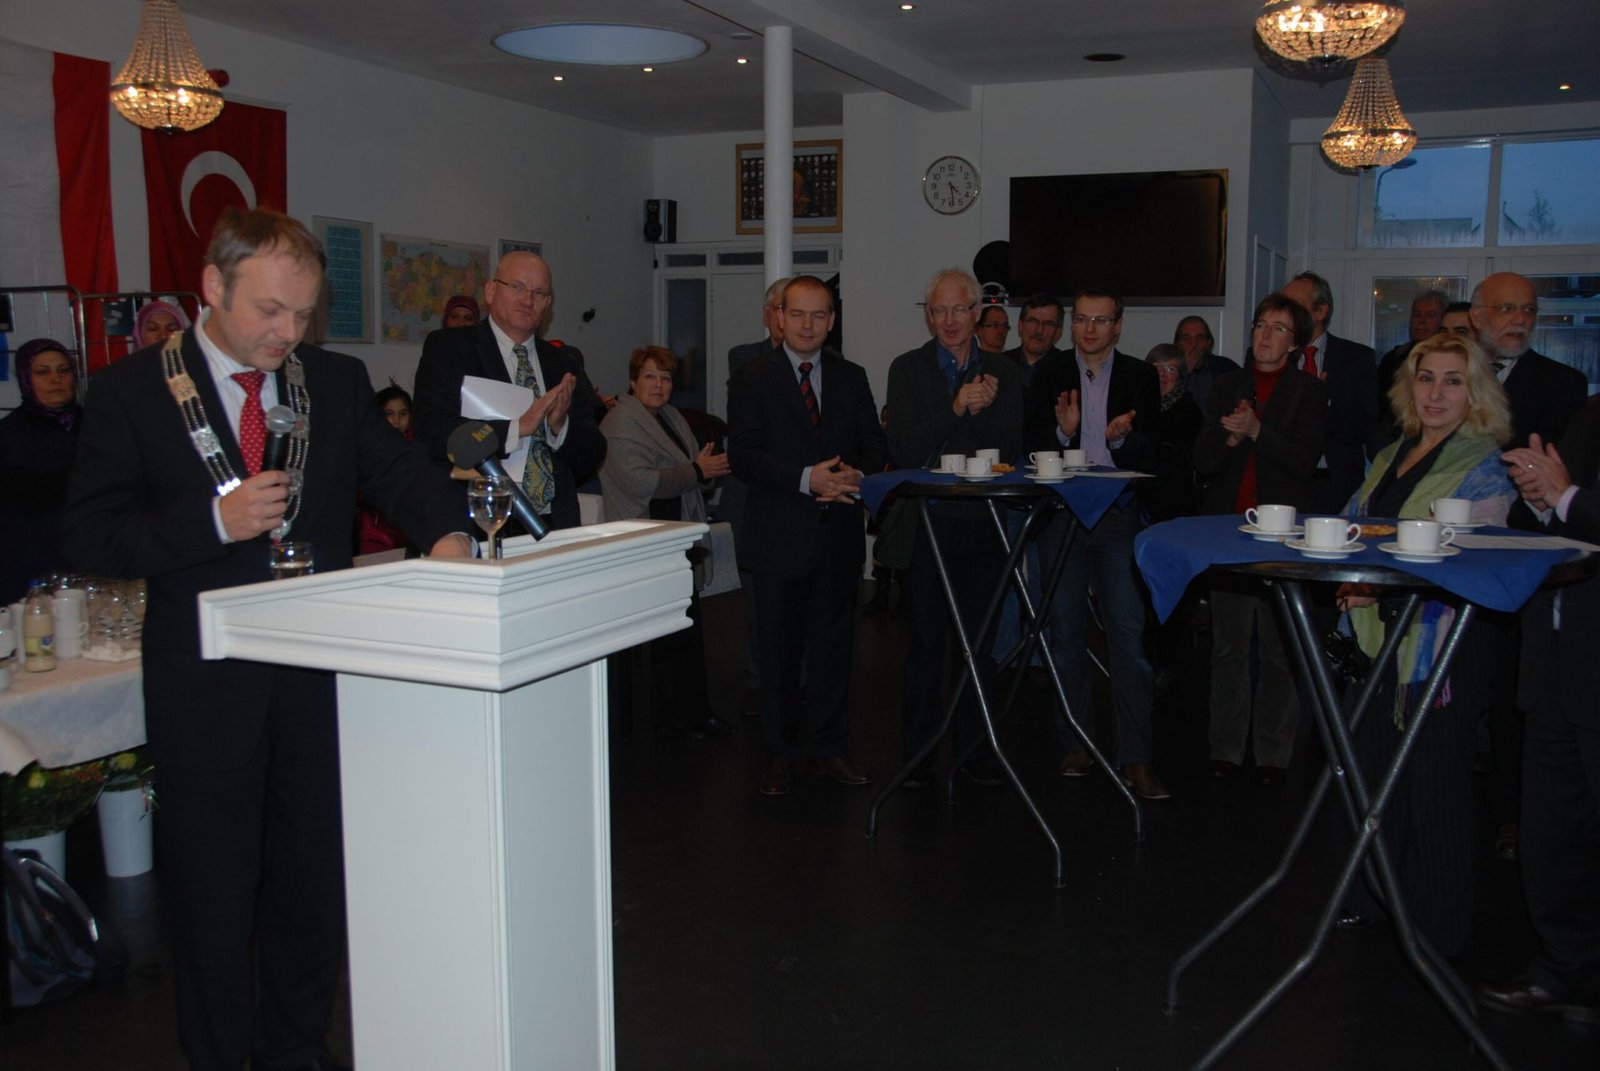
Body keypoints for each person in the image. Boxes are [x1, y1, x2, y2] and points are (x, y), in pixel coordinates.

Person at [61, 207, 472, 1071]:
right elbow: (93, 535)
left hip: (314, 680)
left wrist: (447, 534)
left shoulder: (334, 380)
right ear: (213, 286)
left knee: (311, 890)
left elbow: (398, 471)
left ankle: (297, 1051)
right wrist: (212, 521)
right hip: (205, 688)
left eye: (304, 314)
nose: (288, 333)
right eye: (270, 310)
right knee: (211, 903)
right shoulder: (133, 391)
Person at [1333, 333, 1515, 955]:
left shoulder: (1486, 466)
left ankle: (1436, 931)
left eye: (1453, 381)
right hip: (1375, 641)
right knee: (1373, 778)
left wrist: (1377, 586)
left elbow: (1470, 561)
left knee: (1435, 791)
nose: (1436, 393)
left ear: (1476, 393)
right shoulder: (1390, 454)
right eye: (1426, 378)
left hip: (1442, 647)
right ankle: (1374, 897)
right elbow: (1355, 522)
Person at [729, 275, 886, 795]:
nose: (807, 325)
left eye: (819, 315)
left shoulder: (851, 376)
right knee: (777, 654)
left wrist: (855, 476)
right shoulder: (752, 377)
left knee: (834, 650)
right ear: (779, 316)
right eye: (797, 313)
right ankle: (779, 753)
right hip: (778, 538)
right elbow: (744, 455)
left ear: (832, 321)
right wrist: (805, 479)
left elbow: (873, 445)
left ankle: (829, 747)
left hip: (837, 536)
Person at [1477, 398, 1600, 1024]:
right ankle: (1568, 974)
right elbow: (1552, 520)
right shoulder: (1592, 413)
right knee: (1554, 837)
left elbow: (1578, 503)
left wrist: (1566, 497)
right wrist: (1543, 500)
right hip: (1555, 663)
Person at [1027, 287, 1166, 800]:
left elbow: (1154, 452)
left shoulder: (1139, 376)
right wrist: (1063, 435)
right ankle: (1076, 743)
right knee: (1065, 634)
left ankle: (1137, 757)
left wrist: (1122, 439)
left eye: (1100, 320)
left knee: (1127, 635)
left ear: (1118, 326)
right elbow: (1028, 447)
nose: (1089, 329)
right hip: (1062, 514)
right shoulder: (1049, 373)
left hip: (1117, 514)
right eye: (1082, 319)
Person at [888, 268, 1023, 787]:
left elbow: (1009, 449)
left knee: (979, 647)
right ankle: (919, 756)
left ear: (976, 313)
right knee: (925, 646)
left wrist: (978, 412)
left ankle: (975, 752)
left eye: (959, 309)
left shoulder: (1004, 372)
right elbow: (904, 449)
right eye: (939, 310)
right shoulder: (908, 368)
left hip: (985, 525)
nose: (949, 320)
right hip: (927, 524)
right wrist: (957, 408)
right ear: (928, 315)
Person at [1193, 295, 1326, 787]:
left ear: (1295, 343)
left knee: (1277, 649)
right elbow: (1203, 460)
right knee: (1228, 647)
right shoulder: (1227, 385)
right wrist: (1231, 438)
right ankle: (1225, 747)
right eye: (1260, 325)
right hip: (1230, 532)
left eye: (1277, 329)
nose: (1265, 336)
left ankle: (1273, 752)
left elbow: (1304, 462)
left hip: (1282, 536)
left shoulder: (1308, 392)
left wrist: (1256, 431)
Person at [413, 251, 606, 533]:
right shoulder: (450, 348)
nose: (527, 300)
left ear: (548, 304)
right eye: (517, 287)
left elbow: (593, 453)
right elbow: (432, 430)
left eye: (538, 293)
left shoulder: (563, 362)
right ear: (491, 291)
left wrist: (559, 427)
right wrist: (516, 428)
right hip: (478, 524)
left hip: (553, 524)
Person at [600, 345, 735, 741]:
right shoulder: (619, 422)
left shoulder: (671, 416)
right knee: (659, 639)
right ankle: (664, 720)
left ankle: (689, 713)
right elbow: (641, 482)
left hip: (677, 536)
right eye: (650, 376)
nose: (659, 385)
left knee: (685, 631)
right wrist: (697, 470)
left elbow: (693, 470)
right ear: (632, 381)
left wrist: (703, 471)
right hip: (644, 542)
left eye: (666, 378)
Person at [722, 276, 791, 717]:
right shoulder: (745, 358)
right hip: (751, 493)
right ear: (769, 314)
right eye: (785, 309)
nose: (792, 319)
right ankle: (757, 679)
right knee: (756, 596)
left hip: (794, 493)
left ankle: (794, 678)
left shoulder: (827, 363)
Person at [1282, 271, 1379, 514]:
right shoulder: (1275, 357)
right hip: (1284, 483)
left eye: (1294, 304)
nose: (1285, 312)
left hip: (1335, 483)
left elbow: (1367, 425)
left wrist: (1324, 406)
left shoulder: (1357, 358)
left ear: (1321, 311)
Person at [0, 339, 82, 603]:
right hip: (32, 562)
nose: (56, 380)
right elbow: (30, 497)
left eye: (63, 370)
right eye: (42, 372)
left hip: (91, 555)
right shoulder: (11, 433)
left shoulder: (96, 423)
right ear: (26, 379)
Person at [1470, 271, 1587, 451]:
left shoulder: (1564, 383)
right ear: (1477, 318)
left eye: (1529, 310)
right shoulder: (1448, 372)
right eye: (1506, 308)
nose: (1520, 320)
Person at [1373, 289, 1451, 450]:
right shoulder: (1394, 358)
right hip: (1392, 443)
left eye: (1430, 315)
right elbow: (1380, 407)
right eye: (1417, 314)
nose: (1421, 321)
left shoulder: (1453, 360)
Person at [1142, 343, 1204, 522]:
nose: (1161, 374)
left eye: (1170, 369)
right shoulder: (1138, 406)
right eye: (1156, 367)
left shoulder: (1189, 412)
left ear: (1180, 376)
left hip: (1175, 505)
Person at [355, 385, 418, 555]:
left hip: (408, 531)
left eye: (403, 414)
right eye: (389, 414)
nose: (396, 420)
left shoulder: (417, 449)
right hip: (373, 533)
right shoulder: (366, 450)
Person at [1172, 315, 1240, 414]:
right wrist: (1184, 372)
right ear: (1178, 344)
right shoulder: (1167, 371)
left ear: (1208, 343)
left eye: (1199, 338)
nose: (1193, 344)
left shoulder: (1226, 367)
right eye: (1186, 339)